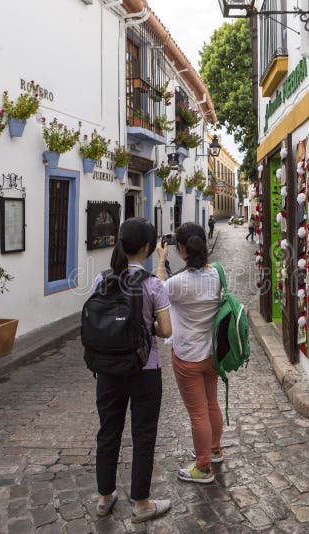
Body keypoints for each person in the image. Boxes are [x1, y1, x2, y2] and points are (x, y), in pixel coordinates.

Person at [90, 218, 173, 523]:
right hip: (145, 369)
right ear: (149, 248)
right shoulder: (153, 284)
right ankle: (140, 503)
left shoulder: (102, 280)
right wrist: (144, 324)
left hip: (108, 370)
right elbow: (165, 330)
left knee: (108, 431)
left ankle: (104, 496)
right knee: (143, 434)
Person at [155, 222, 223, 483]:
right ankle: (215, 450)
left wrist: (161, 260)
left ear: (180, 248)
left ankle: (203, 467)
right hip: (213, 355)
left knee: (198, 413)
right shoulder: (217, 274)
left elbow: (157, 292)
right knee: (212, 404)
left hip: (188, 357)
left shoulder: (179, 282)